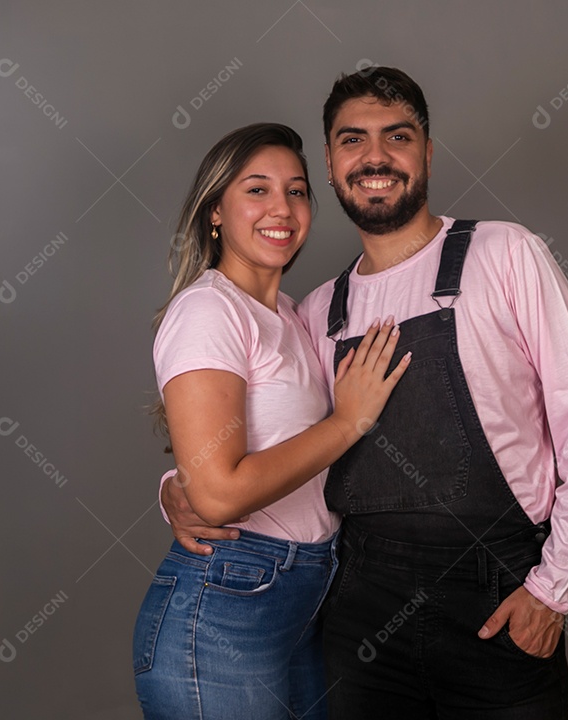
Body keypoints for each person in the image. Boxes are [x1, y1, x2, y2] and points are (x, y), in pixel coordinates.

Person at [160, 68, 568, 718]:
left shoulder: (504, 255)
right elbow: (267, 431)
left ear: (426, 153)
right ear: (330, 163)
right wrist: (178, 488)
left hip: (496, 599)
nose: (375, 156)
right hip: (357, 614)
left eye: (397, 136)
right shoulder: (318, 312)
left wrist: (555, 590)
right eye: (353, 140)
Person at [132, 122, 410, 720]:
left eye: (297, 190)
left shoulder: (292, 314)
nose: (281, 208)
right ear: (215, 212)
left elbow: (232, 464)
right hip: (228, 608)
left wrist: (173, 490)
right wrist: (347, 422)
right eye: (256, 190)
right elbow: (218, 493)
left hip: (306, 596)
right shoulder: (209, 309)